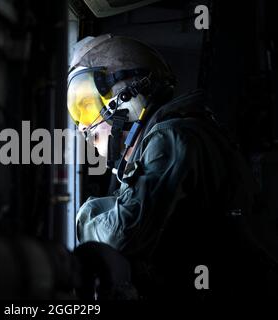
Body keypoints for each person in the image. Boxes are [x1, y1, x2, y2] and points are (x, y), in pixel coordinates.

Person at [67, 34, 259, 300]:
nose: (83, 126)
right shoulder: (180, 131)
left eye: (86, 106)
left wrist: (86, 214)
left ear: (126, 96)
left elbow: (122, 234)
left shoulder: (171, 137)